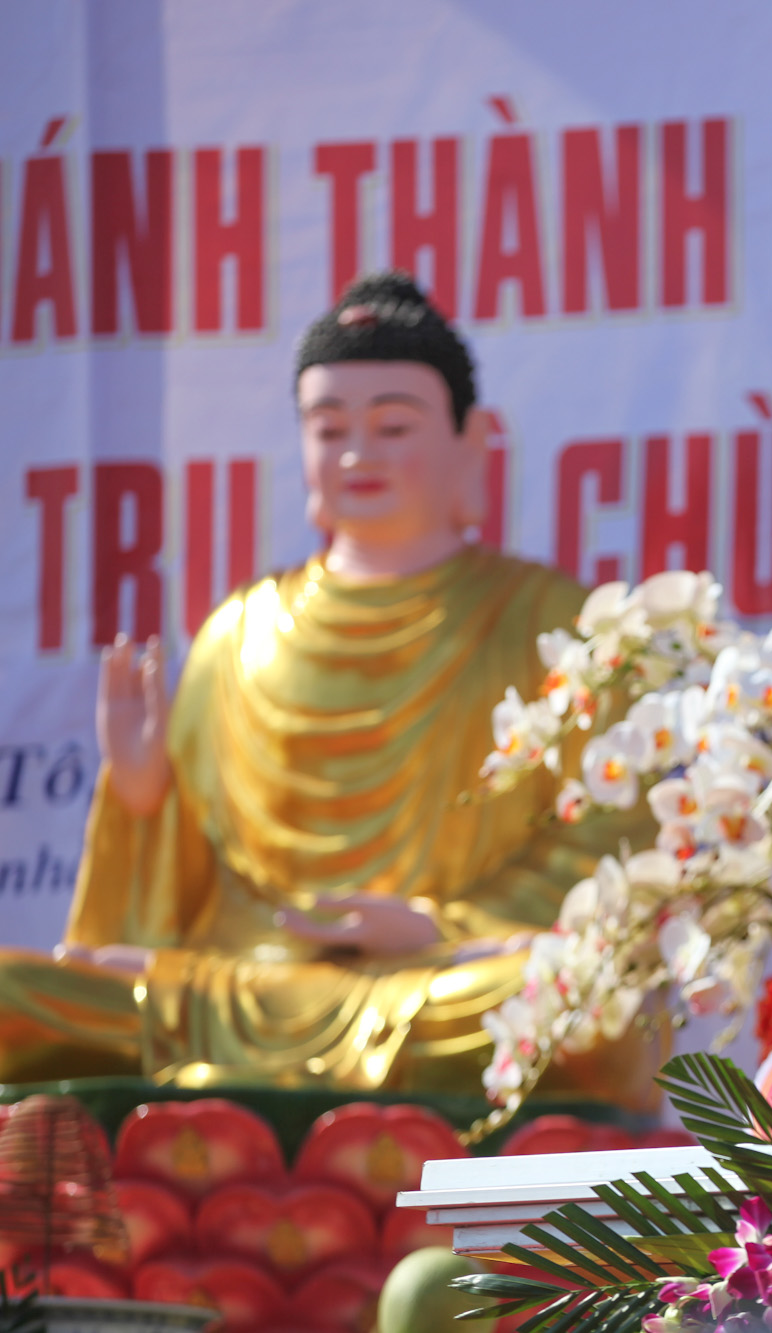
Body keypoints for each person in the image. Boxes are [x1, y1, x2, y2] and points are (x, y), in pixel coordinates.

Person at [0, 272, 656, 1108]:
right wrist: (141, 793)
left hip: (445, 982)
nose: (356, 452)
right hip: (234, 983)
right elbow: (183, 898)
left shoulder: (549, 618)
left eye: (392, 425)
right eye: (329, 427)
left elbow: (602, 836)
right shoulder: (240, 631)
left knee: (593, 1017)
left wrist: (433, 928)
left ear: (471, 442)